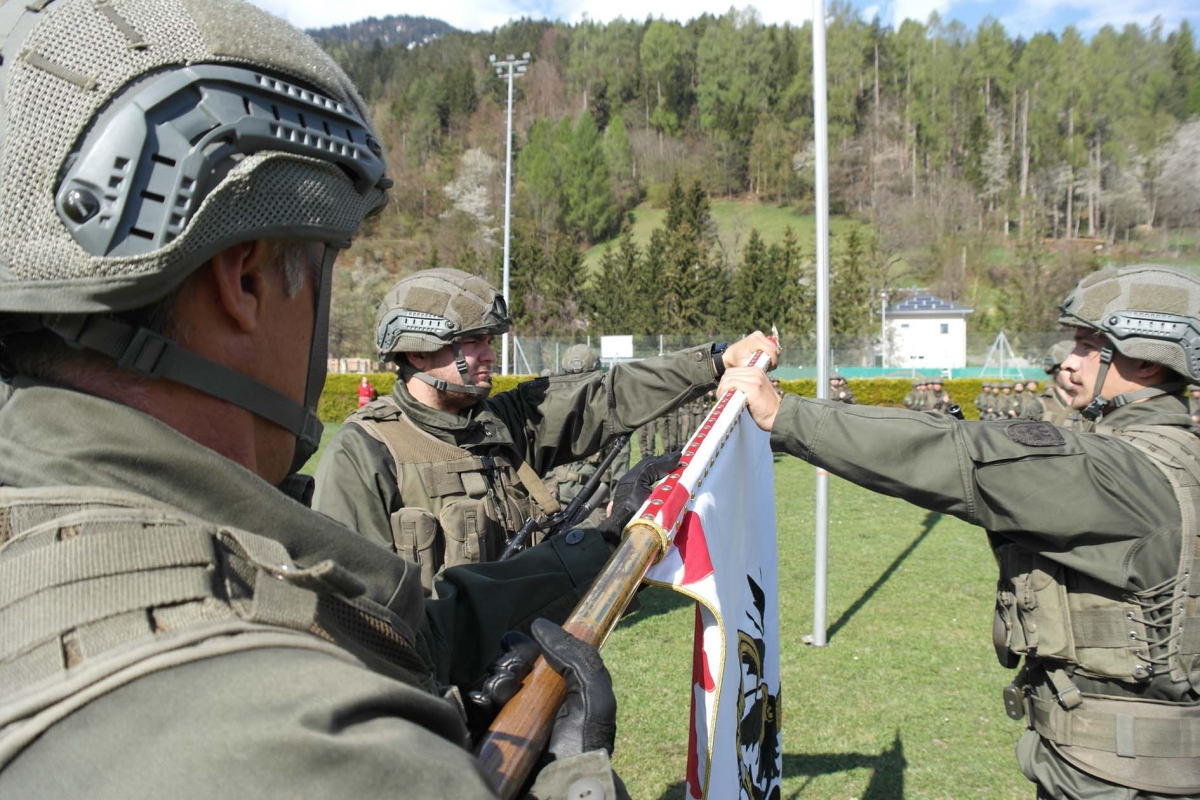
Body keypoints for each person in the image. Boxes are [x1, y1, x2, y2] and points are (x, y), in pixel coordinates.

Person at [0, 3, 656, 797]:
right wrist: (568, 778)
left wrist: (603, 543)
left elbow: (389, 614)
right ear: (242, 281)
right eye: (318, 268)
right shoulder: (306, 740)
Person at [722, 264, 1200, 799]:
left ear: (1147, 362)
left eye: (1089, 346)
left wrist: (786, 416)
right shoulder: (1174, 454)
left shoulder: (1122, 473)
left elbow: (962, 457)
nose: (1070, 361)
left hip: (1123, 775)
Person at [311, 271, 775, 590]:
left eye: (489, 341)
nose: (489, 355)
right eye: (473, 342)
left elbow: (606, 396)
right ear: (417, 353)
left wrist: (715, 360)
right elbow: (352, 610)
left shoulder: (501, 423)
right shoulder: (364, 453)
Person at [542, 345, 631, 524]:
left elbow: (619, 464)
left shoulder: (611, 413)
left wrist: (617, 501)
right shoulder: (550, 409)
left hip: (592, 503)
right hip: (553, 499)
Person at [1040, 341, 1080, 429]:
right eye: (1068, 369)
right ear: (1054, 371)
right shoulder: (1039, 405)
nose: (1075, 375)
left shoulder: (1093, 407)